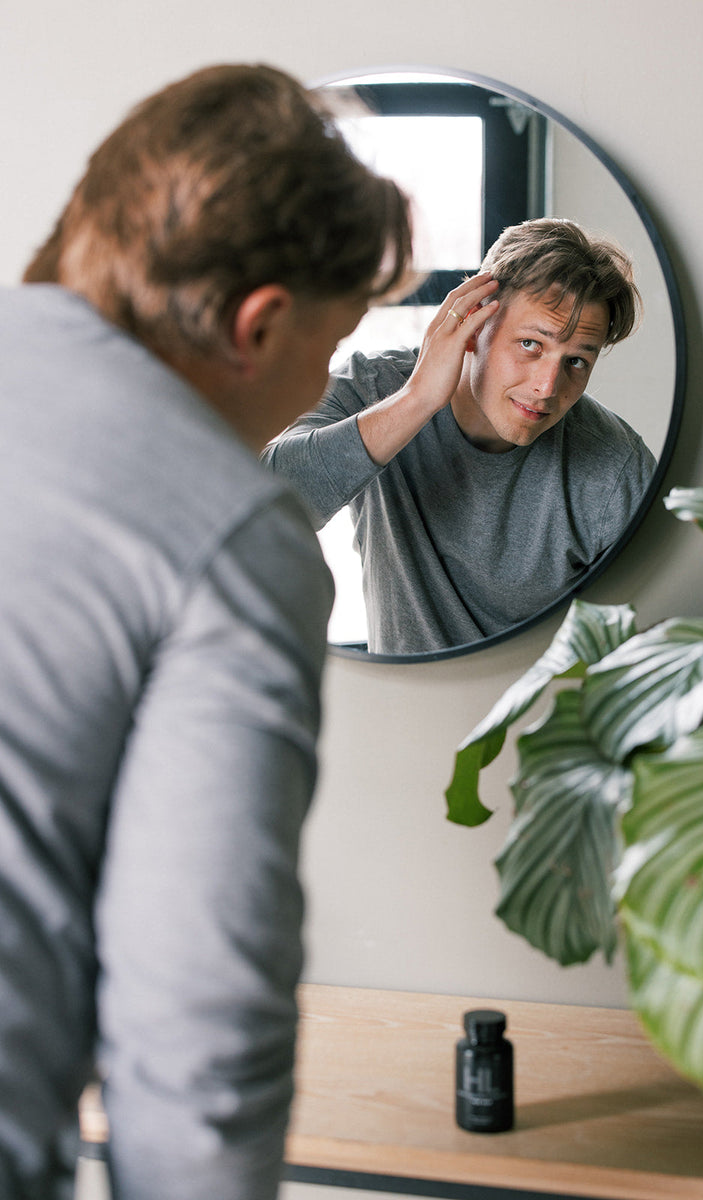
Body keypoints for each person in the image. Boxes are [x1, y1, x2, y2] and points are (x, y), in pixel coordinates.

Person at [0, 64, 411, 1199]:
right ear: (258, 325)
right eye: (326, 352)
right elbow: (197, 1028)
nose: (318, 380)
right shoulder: (231, 534)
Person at [264, 218, 656, 655]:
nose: (548, 387)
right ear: (474, 324)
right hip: (403, 710)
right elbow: (263, 503)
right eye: (531, 344)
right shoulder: (371, 390)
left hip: (541, 715)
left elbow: (648, 641)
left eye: (577, 362)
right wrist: (416, 400)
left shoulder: (614, 466)